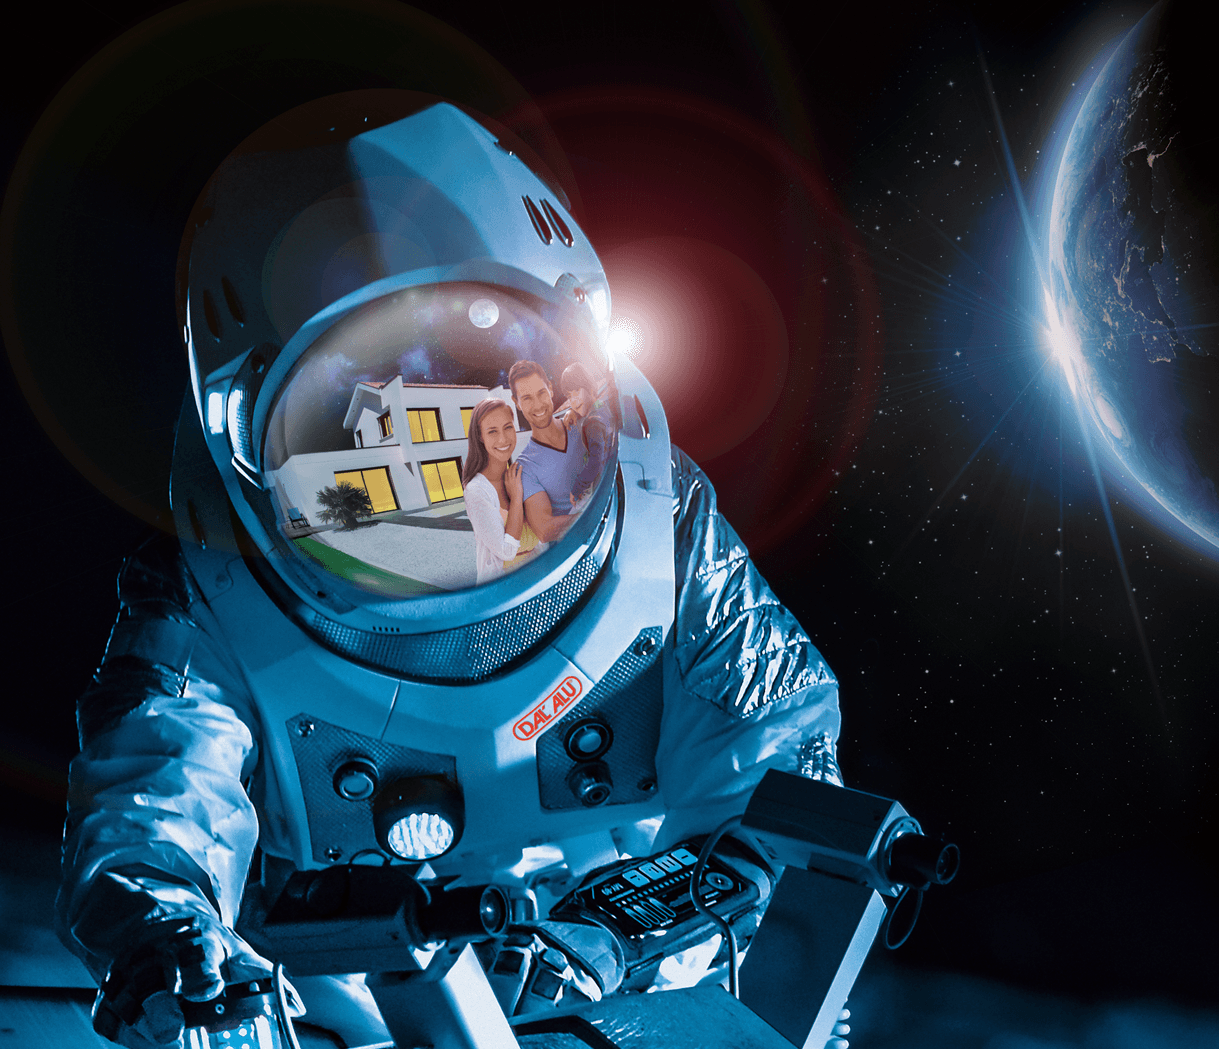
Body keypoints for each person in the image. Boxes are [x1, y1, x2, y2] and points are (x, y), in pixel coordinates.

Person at [55, 95, 845, 1049]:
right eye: (362, 441)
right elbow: (154, 812)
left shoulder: (661, 523)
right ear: (245, 436)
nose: (450, 509)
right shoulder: (211, 588)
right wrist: (175, 950)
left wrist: (613, 936)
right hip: (330, 997)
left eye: (490, 403)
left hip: (628, 966)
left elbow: (785, 777)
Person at [461, 397, 546, 584]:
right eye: (492, 431)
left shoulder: (519, 475)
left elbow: (543, 535)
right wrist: (516, 500)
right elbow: (506, 552)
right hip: (503, 593)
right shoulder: (477, 491)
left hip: (536, 582)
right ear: (480, 437)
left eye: (508, 427)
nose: (503, 439)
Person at [558, 361, 615, 504]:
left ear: (589, 388)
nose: (574, 400)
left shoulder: (592, 425)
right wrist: (574, 412)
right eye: (569, 396)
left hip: (605, 485)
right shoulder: (602, 407)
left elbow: (595, 463)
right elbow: (587, 404)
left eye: (577, 391)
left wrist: (577, 488)